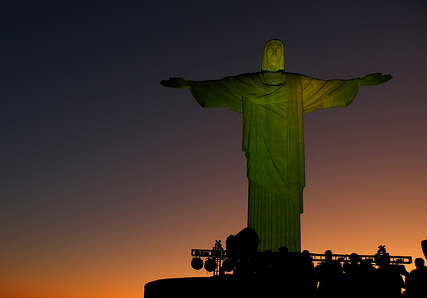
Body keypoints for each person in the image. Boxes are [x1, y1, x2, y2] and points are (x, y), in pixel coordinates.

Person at [161, 39, 392, 252]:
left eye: (278, 50)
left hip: (287, 156)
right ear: (264, 55)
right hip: (261, 151)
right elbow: (223, 87)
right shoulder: (250, 83)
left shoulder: (295, 84)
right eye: (270, 49)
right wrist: (191, 85)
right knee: (260, 194)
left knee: (286, 202)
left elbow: (326, 89)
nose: (274, 53)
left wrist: (358, 83)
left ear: (282, 56)